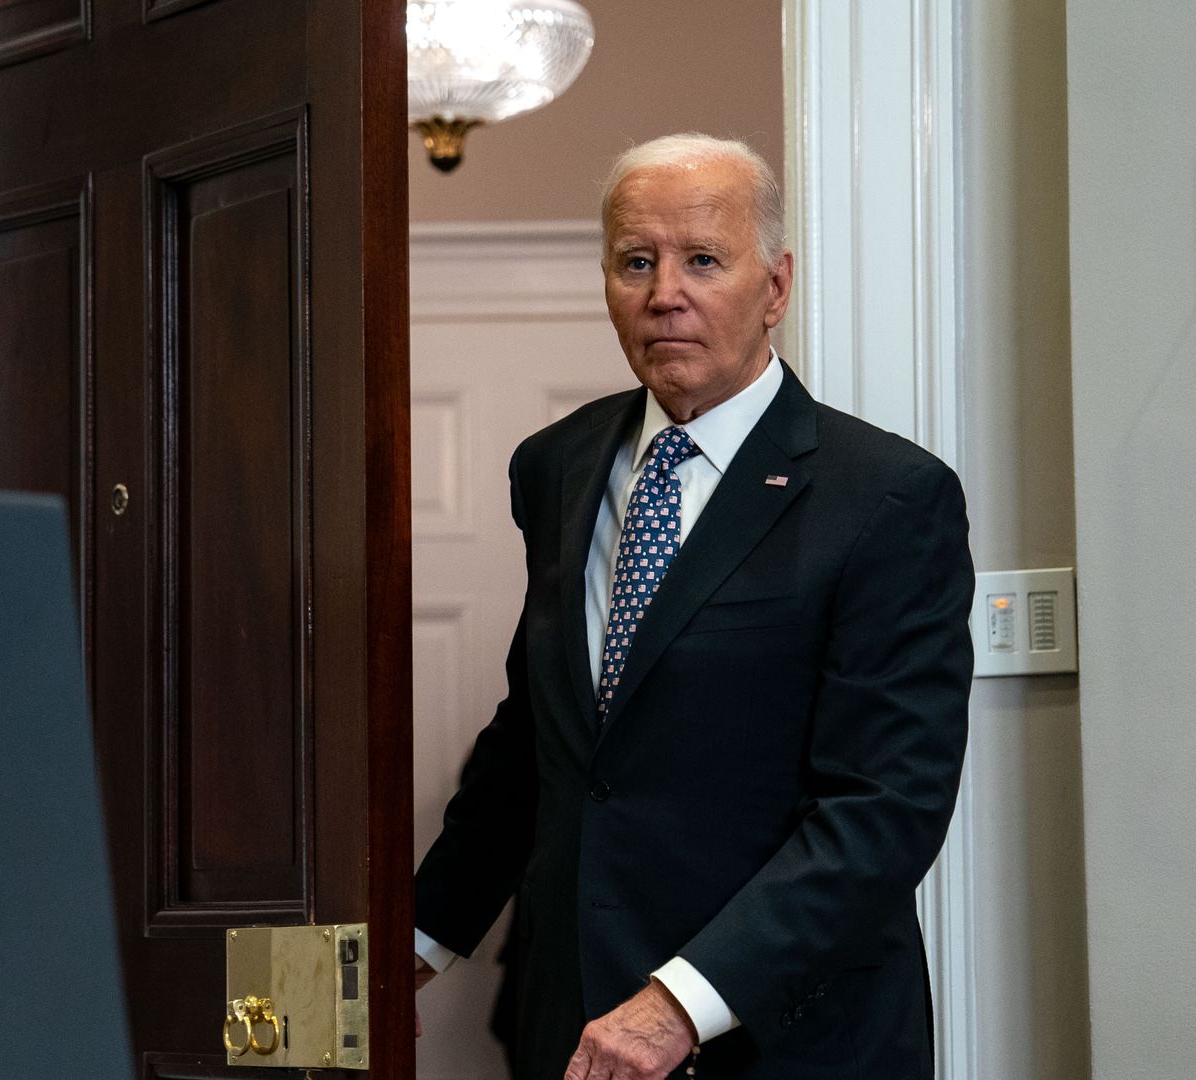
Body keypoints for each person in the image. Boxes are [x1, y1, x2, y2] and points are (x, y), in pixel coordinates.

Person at [411, 133, 974, 1080]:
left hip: (788, 1035)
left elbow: (884, 809)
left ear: (776, 287)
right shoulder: (554, 466)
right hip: (580, 1023)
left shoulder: (887, 498)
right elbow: (537, 749)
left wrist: (681, 1002)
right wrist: (411, 950)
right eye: (636, 261)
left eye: (703, 259)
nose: (664, 291)